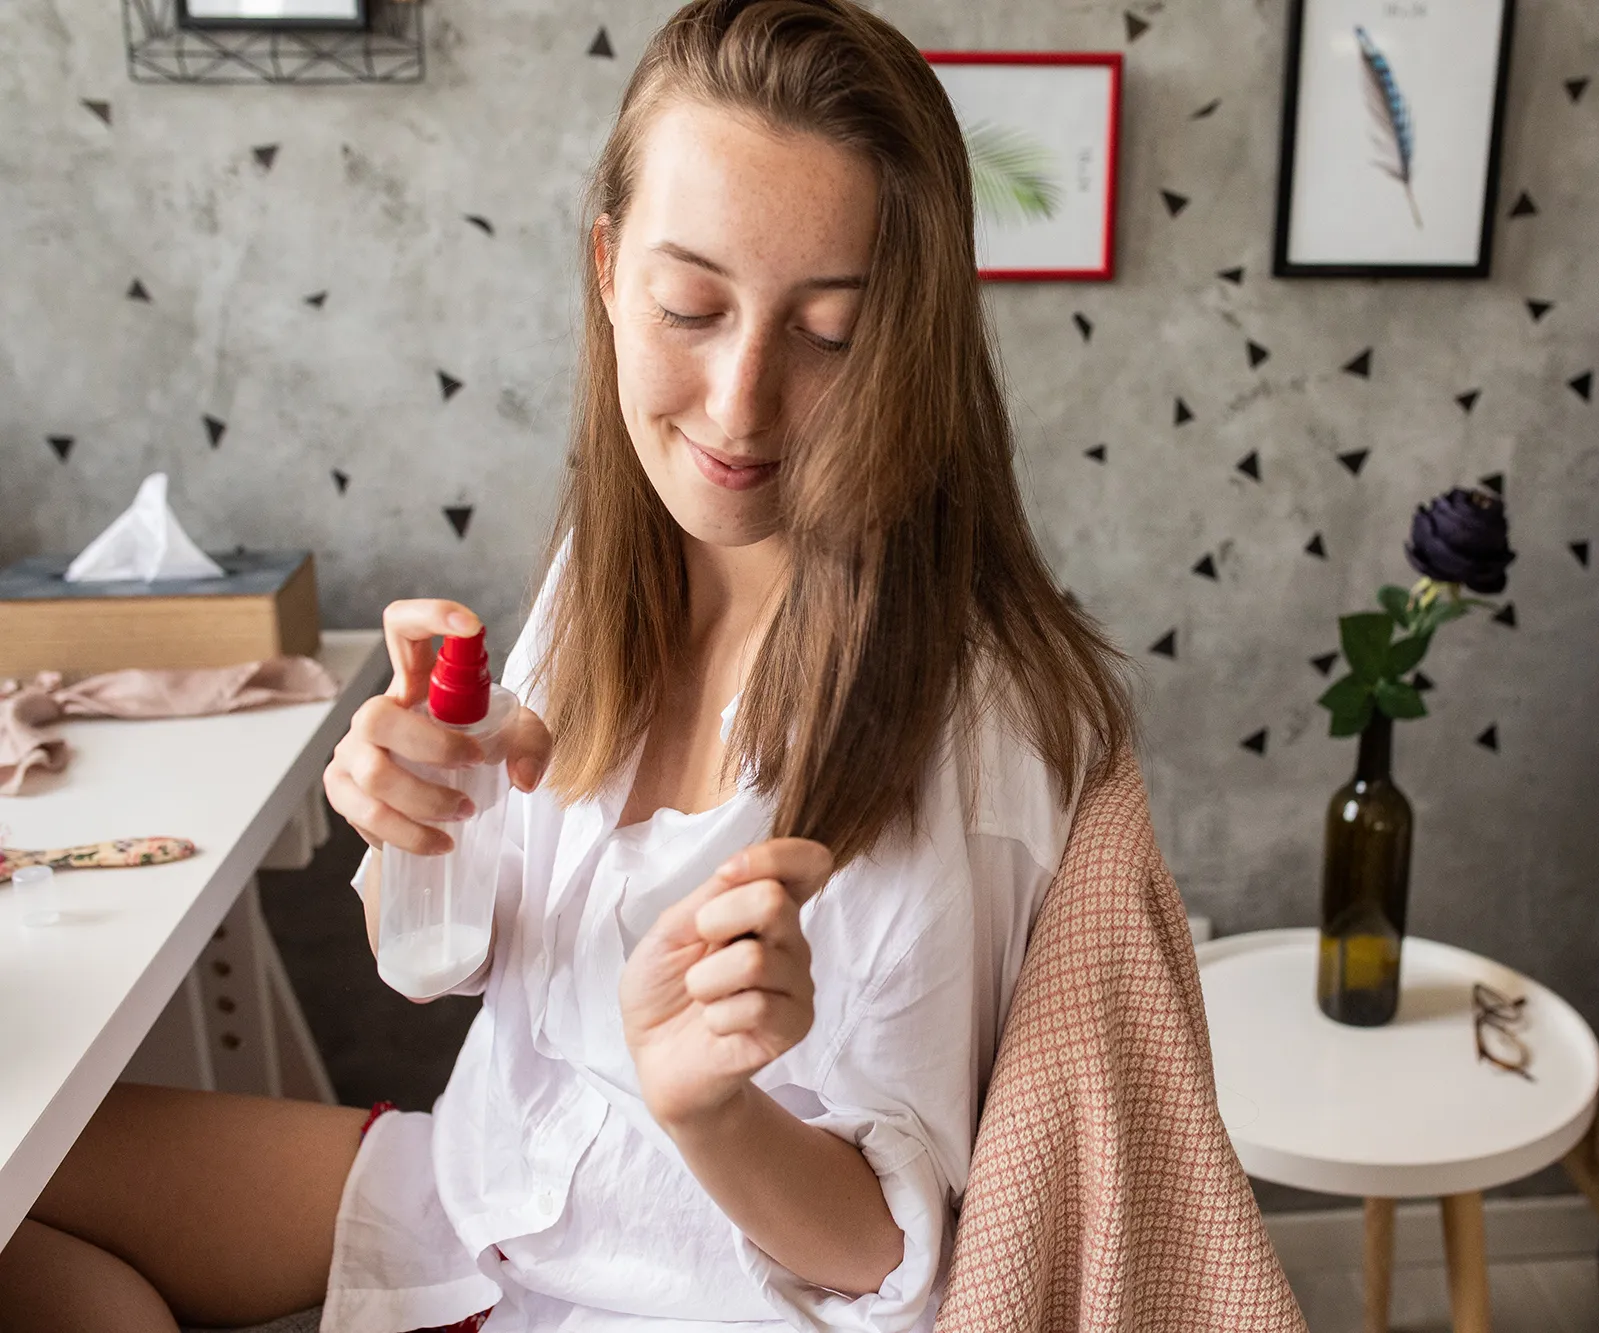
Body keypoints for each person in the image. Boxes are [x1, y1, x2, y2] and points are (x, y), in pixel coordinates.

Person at [0, 1, 1135, 1329]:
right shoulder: (617, 563)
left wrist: (706, 1106)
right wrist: (416, 823)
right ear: (608, 270)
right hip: (482, 1202)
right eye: (690, 307)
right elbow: (441, 965)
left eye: (828, 332)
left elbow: (895, 1260)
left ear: (909, 343)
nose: (739, 402)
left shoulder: (970, 724)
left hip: (678, 1296)